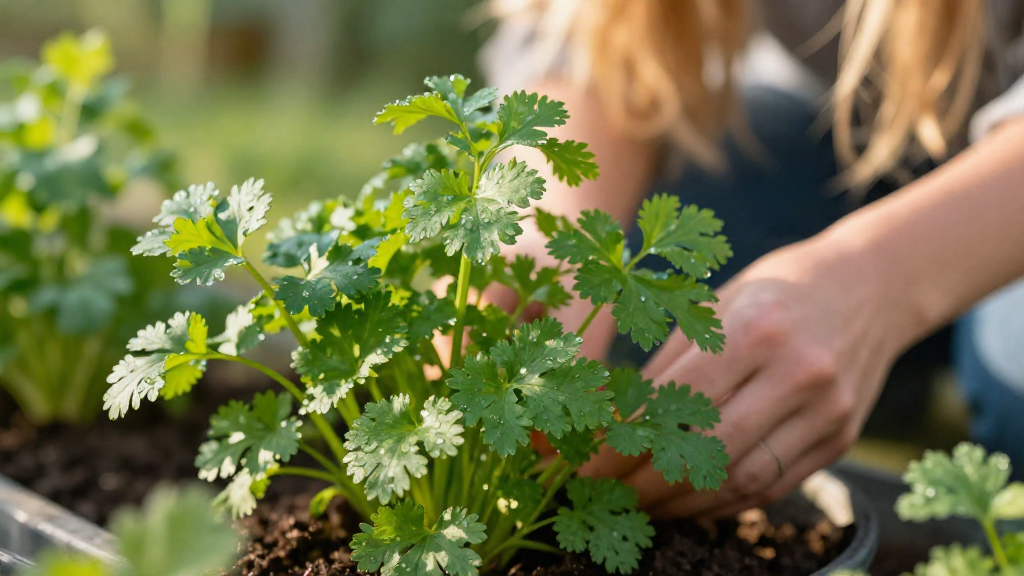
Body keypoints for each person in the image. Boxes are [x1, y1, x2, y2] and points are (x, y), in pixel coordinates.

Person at [480, 0, 1024, 519]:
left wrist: (880, 284)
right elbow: (591, 38)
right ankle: (895, 384)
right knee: (645, 313)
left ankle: (916, 356)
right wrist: (553, 227)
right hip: (843, 125)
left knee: (1015, 389)